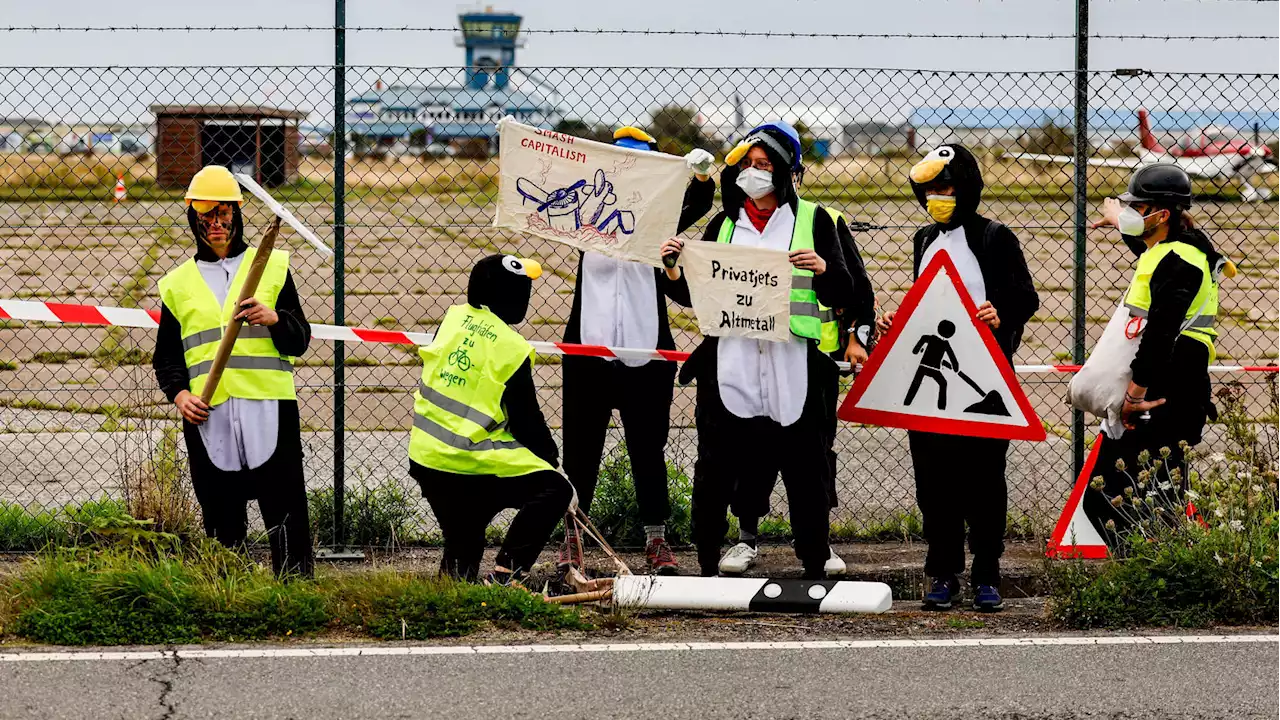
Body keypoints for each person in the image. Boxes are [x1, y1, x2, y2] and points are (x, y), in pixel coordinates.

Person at [664, 120, 859, 580]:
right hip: (733, 364)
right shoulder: (724, 223)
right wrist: (673, 269)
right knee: (716, 467)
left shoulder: (814, 220)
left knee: (806, 468)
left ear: (787, 171)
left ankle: (814, 558)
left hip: (794, 365)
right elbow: (695, 296)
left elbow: (845, 291)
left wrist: (824, 269)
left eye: (764, 165)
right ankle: (709, 560)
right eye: (748, 165)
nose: (754, 173)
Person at [878, 144, 1039, 611]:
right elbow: (929, 304)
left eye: (945, 188)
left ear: (965, 188)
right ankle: (942, 573)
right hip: (929, 395)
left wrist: (1000, 312)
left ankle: (987, 573)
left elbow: (1026, 297)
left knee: (986, 481)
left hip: (986, 385)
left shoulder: (994, 237)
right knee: (934, 484)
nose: (936, 198)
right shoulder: (923, 239)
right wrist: (900, 320)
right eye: (928, 191)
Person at [559, 127, 716, 576]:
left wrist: (702, 177)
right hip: (587, 353)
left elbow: (700, 204)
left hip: (647, 356)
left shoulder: (658, 219)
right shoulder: (585, 212)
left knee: (648, 449)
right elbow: (540, 198)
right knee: (580, 451)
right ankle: (573, 539)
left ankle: (656, 539)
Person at [152, 165, 313, 577]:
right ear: (193, 218)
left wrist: (275, 319)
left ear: (238, 215)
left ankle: (294, 585)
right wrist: (180, 395)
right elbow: (167, 356)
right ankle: (228, 584)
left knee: (284, 502)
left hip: (268, 407)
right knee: (220, 507)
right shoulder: (178, 284)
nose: (216, 225)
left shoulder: (271, 268)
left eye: (224, 215)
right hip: (211, 413)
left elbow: (300, 339)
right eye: (206, 217)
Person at [1081, 164, 1229, 548]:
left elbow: (1160, 336)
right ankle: (1162, 587)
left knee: (1112, 501)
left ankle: (1158, 587)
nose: (1131, 212)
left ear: (1161, 215)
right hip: (1170, 387)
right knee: (1150, 503)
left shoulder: (1178, 262)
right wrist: (1118, 220)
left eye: (1138, 207)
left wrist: (1133, 395)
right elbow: (1146, 248)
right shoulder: (1173, 247)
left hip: (1166, 392)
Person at [408, 253, 573, 585]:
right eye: (524, 291)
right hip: (471, 462)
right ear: (512, 297)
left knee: (463, 543)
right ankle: (507, 573)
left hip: (427, 457)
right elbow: (527, 421)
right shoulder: (511, 347)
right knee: (554, 491)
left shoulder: (452, 319)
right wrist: (553, 464)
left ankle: (454, 593)